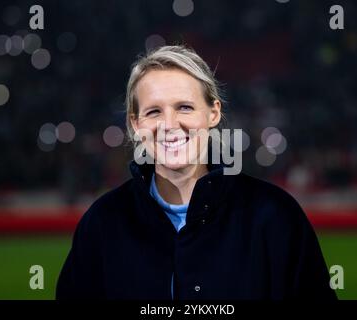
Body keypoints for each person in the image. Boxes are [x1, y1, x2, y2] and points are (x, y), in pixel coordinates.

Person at [56, 45, 337, 300]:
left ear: (213, 113)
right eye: (154, 112)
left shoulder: (274, 215)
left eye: (185, 107)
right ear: (135, 123)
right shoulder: (103, 222)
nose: (169, 124)